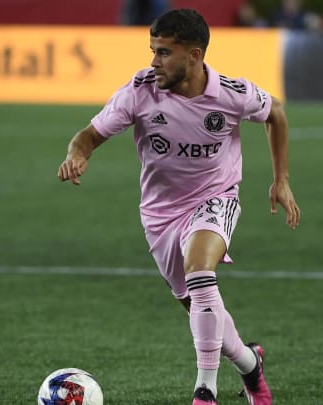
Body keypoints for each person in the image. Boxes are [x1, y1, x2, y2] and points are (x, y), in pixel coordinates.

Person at [57, 8, 300, 405]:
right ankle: (250, 365)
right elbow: (88, 135)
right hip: (159, 215)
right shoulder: (140, 91)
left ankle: (205, 391)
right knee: (203, 313)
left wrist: (281, 180)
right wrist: (78, 155)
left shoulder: (231, 94)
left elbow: (276, 114)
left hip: (215, 197)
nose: (154, 61)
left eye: (164, 52)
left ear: (194, 55)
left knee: (199, 270)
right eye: (153, 50)